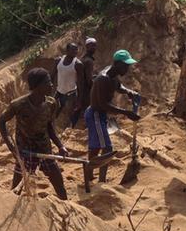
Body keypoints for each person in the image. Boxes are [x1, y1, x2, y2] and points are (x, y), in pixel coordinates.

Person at [0, 68, 69, 200]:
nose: (52, 85)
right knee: (17, 186)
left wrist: (60, 146)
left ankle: (67, 207)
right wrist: (11, 146)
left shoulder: (51, 103)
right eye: (48, 82)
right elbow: (1, 121)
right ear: (37, 86)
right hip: (25, 150)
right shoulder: (18, 105)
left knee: (58, 181)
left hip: (44, 149)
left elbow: (50, 127)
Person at [85, 50, 141, 182]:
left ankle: (88, 174)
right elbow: (103, 105)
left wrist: (128, 92)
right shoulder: (103, 79)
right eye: (125, 65)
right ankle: (101, 181)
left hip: (98, 114)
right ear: (117, 64)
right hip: (96, 115)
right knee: (107, 148)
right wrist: (126, 113)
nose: (127, 68)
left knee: (96, 147)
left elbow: (118, 85)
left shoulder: (112, 74)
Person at [51, 43, 83, 122]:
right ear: (67, 50)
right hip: (59, 92)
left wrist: (79, 99)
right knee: (52, 111)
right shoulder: (58, 61)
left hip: (71, 94)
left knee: (70, 115)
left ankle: (70, 131)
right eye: (73, 49)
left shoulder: (78, 64)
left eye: (76, 49)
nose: (75, 51)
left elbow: (80, 83)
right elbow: (52, 76)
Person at [72, 37, 98, 128]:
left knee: (79, 109)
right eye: (92, 46)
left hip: (80, 89)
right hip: (86, 90)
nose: (94, 48)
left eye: (95, 46)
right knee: (90, 110)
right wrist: (95, 89)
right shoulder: (89, 61)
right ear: (87, 47)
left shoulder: (83, 59)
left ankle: (72, 127)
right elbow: (88, 79)